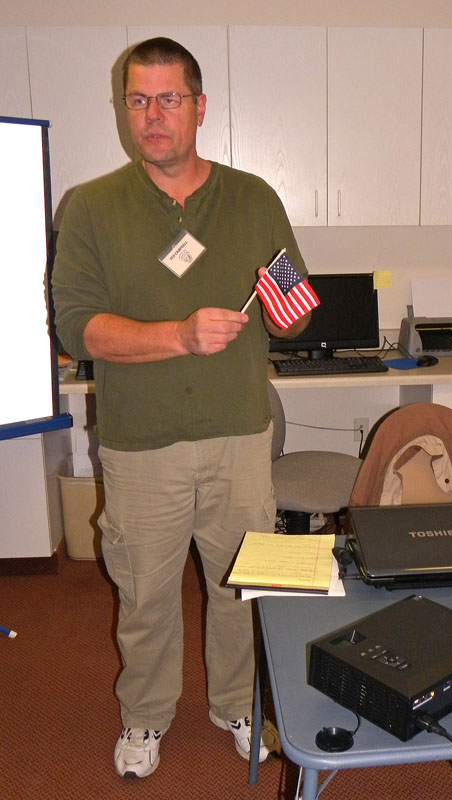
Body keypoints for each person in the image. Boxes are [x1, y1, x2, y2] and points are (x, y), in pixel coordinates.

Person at [51, 36, 311, 779]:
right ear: (123, 109)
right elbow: (78, 327)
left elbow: (292, 300)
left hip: (238, 438)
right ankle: (145, 717)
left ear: (200, 107)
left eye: (168, 99)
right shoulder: (93, 208)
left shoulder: (255, 197)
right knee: (145, 596)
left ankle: (236, 702)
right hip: (141, 446)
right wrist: (179, 335)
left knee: (241, 587)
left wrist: (289, 311)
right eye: (137, 100)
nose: (152, 116)